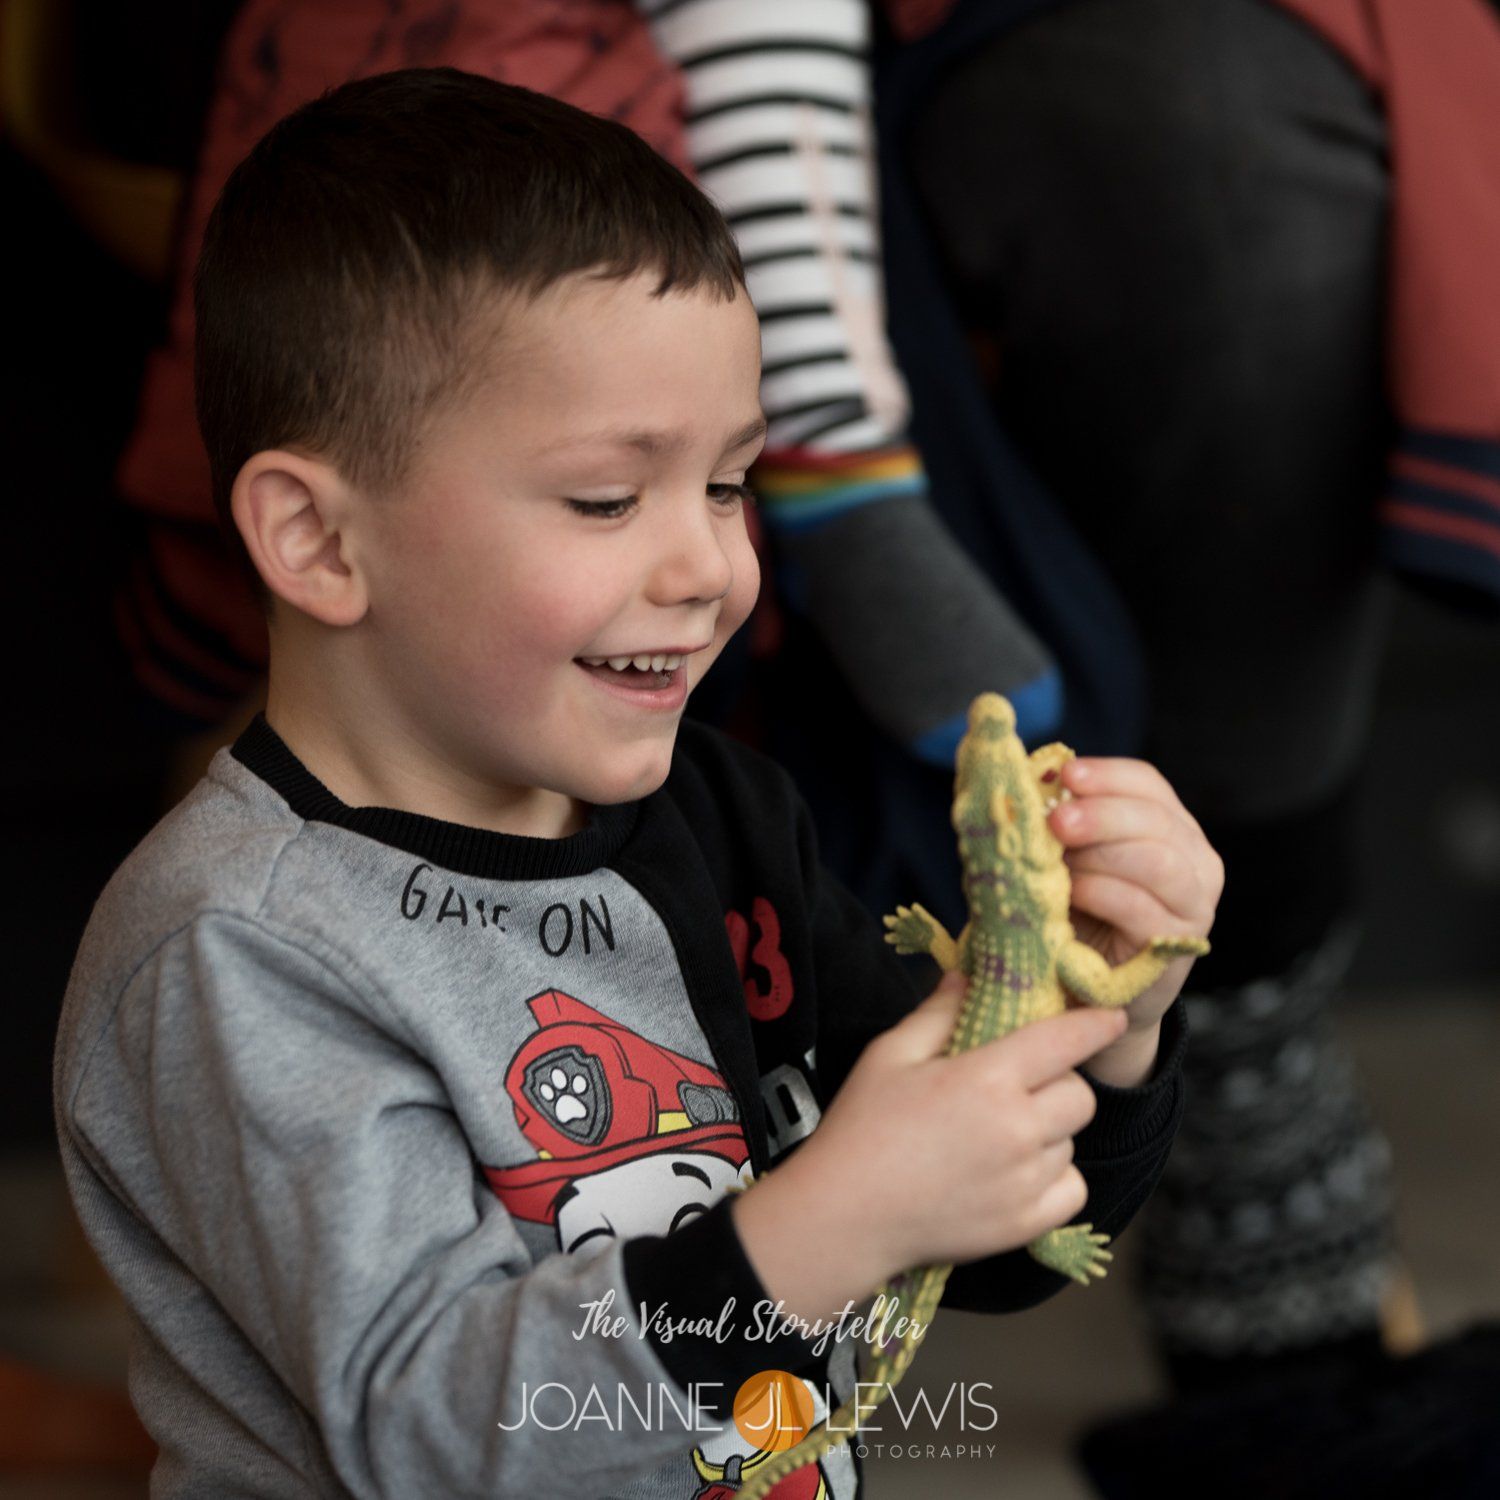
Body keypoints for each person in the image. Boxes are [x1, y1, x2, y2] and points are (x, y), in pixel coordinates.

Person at [55, 70, 1222, 1498]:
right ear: (318, 541)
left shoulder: (724, 822)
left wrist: (1107, 1023)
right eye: (609, 498)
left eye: (730, 484)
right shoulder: (242, 952)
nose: (709, 568)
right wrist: (827, 1224)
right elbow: (430, 1431)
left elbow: (978, 1239)